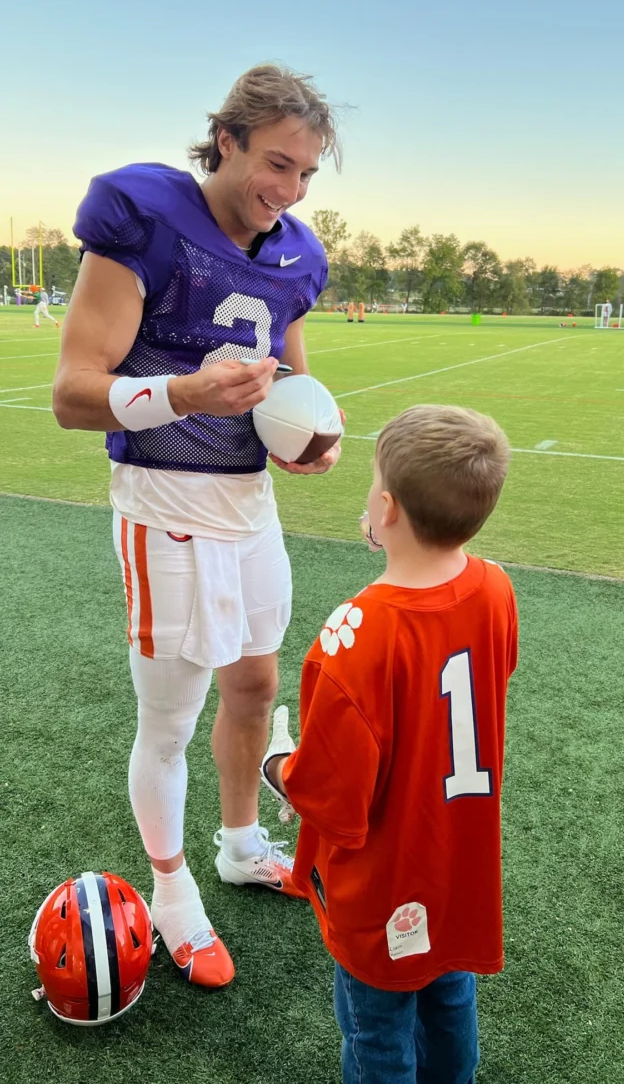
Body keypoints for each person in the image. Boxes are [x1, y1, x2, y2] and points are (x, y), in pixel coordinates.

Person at [52, 63, 342, 989]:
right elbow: (71, 397)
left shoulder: (295, 253)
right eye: (276, 163)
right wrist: (181, 391)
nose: (290, 190)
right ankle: (173, 897)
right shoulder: (145, 217)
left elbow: (291, 385)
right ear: (226, 139)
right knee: (170, 720)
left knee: (256, 683)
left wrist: (307, 439)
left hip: (247, 507)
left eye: (306, 173)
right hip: (164, 507)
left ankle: (239, 843)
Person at [261, 404, 518, 1084]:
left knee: (378, 1033)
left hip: (388, 878)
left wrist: (276, 763)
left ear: (388, 507)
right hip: (459, 858)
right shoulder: (495, 587)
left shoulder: (357, 632)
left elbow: (333, 797)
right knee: (450, 993)